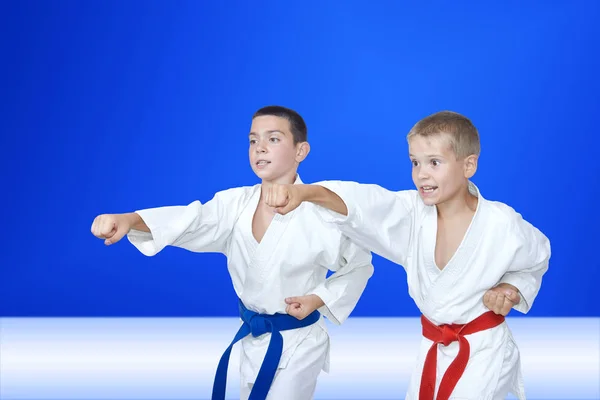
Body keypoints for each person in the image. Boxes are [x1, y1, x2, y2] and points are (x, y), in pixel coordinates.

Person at [90, 105, 374, 400]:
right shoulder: (235, 204)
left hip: (299, 341)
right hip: (253, 337)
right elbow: (190, 220)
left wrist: (318, 299)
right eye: (253, 141)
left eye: (273, 139)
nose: (260, 148)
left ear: (301, 151)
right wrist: (129, 220)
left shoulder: (322, 210)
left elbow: (359, 266)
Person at [262, 110, 551, 400]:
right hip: (433, 346)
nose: (421, 173)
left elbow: (537, 257)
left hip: (484, 350)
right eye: (415, 162)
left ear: (469, 165)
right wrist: (305, 193)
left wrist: (510, 288)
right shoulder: (413, 214)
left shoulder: (501, 223)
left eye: (434, 162)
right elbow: (365, 203)